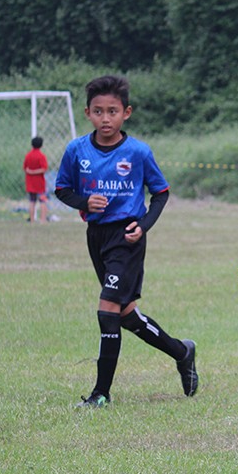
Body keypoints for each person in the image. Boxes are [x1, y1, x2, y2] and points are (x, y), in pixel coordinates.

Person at [54, 75, 199, 407]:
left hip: (127, 236)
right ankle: (182, 351)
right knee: (125, 314)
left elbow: (160, 193)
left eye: (113, 112)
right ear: (88, 112)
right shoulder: (76, 150)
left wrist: (144, 225)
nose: (106, 119)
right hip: (97, 236)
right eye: (99, 111)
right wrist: (83, 202)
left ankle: (100, 394)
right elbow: (62, 189)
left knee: (107, 310)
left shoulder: (138, 151)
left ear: (126, 113)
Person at [23, 136, 50, 224]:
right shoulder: (41, 156)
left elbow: (25, 168)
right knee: (42, 201)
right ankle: (43, 219)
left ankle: (32, 220)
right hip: (39, 183)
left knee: (32, 201)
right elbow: (44, 168)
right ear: (41, 145)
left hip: (30, 183)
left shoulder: (28, 155)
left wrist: (30, 172)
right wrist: (35, 172)